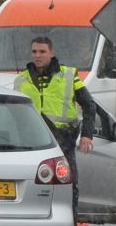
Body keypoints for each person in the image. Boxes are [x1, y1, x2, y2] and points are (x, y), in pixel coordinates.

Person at [14, 34, 88, 175]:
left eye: (42, 52)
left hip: (63, 139)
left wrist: (87, 134)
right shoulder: (21, 80)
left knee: (69, 181)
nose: (37, 56)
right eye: (34, 52)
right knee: (35, 182)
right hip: (31, 141)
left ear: (52, 53)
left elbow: (89, 104)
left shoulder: (68, 75)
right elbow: (13, 114)